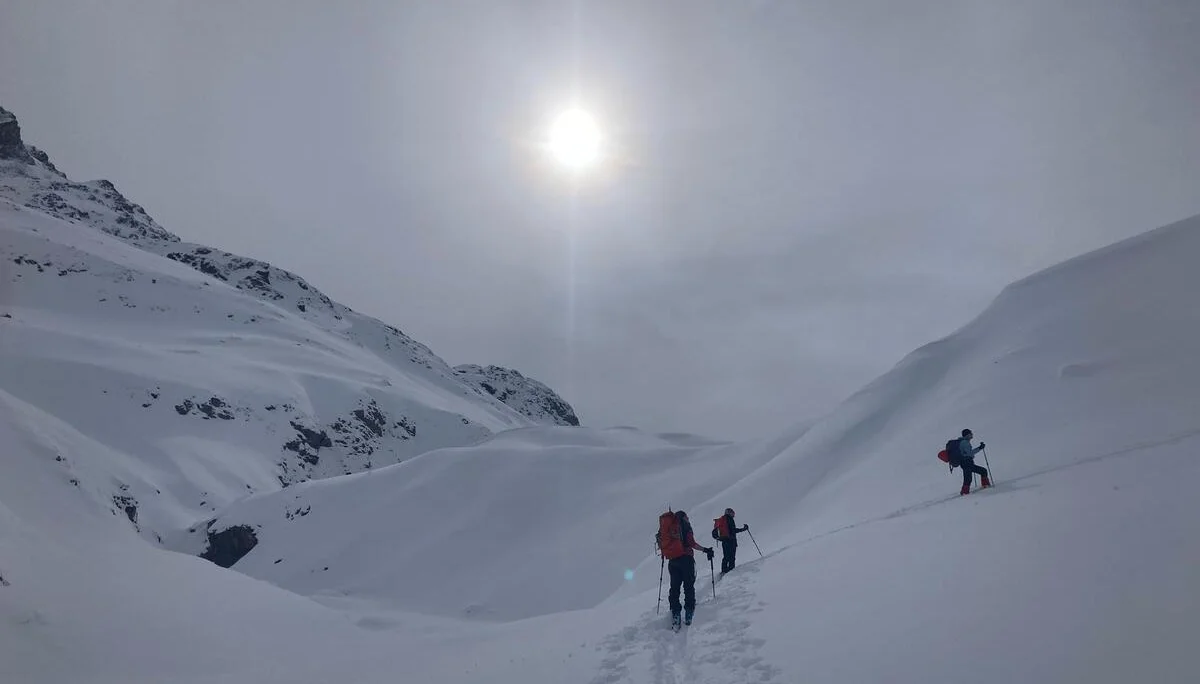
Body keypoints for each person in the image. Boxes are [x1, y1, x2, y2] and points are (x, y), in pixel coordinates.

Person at [657, 510, 714, 627]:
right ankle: (689, 611)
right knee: (688, 585)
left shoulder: (668, 529)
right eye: (687, 516)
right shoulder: (685, 525)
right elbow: (692, 543)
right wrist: (705, 550)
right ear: (684, 517)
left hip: (672, 561)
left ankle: (675, 612)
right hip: (686, 559)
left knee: (674, 587)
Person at [713, 508, 749, 575]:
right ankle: (731, 572)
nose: (733, 514)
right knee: (731, 557)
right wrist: (743, 529)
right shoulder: (729, 519)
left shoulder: (723, 520)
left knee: (726, 556)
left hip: (724, 540)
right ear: (729, 513)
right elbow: (733, 530)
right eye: (732, 513)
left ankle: (724, 571)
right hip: (731, 541)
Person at [955, 428, 989, 495]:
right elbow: (970, 453)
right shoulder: (965, 442)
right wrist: (980, 448)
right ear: (967, 435)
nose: (972, 435)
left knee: (970, 476)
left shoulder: (962, 442)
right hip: (966, 462)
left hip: (965, 462)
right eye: (970, 434)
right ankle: (965, 492)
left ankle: (965, 491)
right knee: (971, 477)